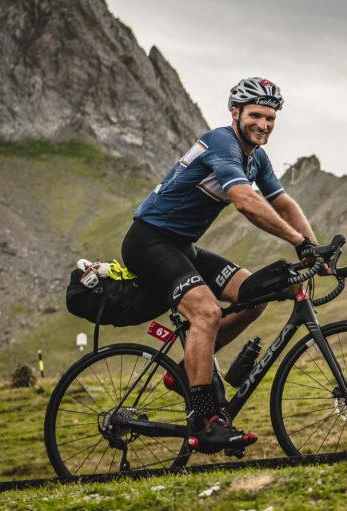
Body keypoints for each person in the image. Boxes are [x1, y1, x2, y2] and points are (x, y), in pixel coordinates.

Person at [121, 77, 319, 454]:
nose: (263, 124)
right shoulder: (221, 143)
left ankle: (185, 372)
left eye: (270, 118)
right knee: (207, 313)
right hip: (148, 241)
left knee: (256, 295)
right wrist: (298, 242)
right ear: (235, 113)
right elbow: (245, 201)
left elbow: (283, 203)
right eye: (256, 115)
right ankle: (206, 420)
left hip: (181, 247)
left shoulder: (256, 158)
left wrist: (314, 249)